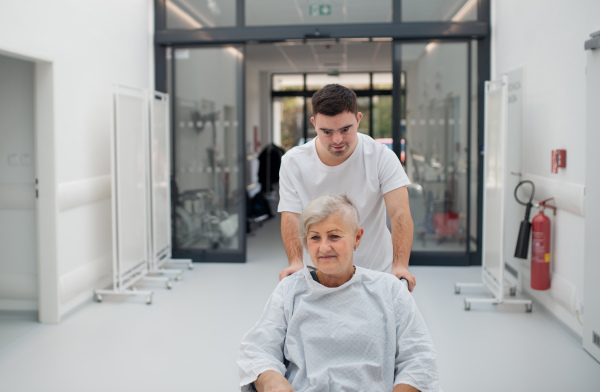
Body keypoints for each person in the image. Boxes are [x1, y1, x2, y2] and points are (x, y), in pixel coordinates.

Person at [238, 194, 440, 392]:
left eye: (334, 236)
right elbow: (258, 350)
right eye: (315, 237)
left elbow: (419, 359)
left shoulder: (389, 290)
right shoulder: (290, 291)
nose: (324, 247)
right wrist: (273, 382)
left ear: (357, 238)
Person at [278, 84, 416, 291]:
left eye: (345, 129)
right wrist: (296, 263)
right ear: (314, 124)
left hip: (377, 269)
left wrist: (400, 266)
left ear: (358, 119)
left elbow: (399, 213)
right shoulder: (293, 162)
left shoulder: (381, 157)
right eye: (327, 131)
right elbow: (291, 216)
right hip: (319, 271)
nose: (337, 140)